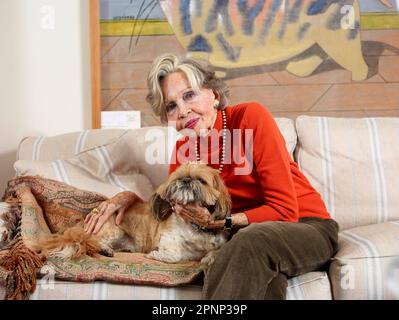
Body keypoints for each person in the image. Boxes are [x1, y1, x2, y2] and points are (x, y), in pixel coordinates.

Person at [84, 53, 339, 300]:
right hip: (248, 242)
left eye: (189, 95)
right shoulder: (183, 152)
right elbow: (166, 208)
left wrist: (222, 223)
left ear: (214, 95)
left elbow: (285, 210)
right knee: (240, 264)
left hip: (306, 227)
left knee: (247, 241)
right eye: (172, 106)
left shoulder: (251, 118)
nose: (182, 111)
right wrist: (128, 198)